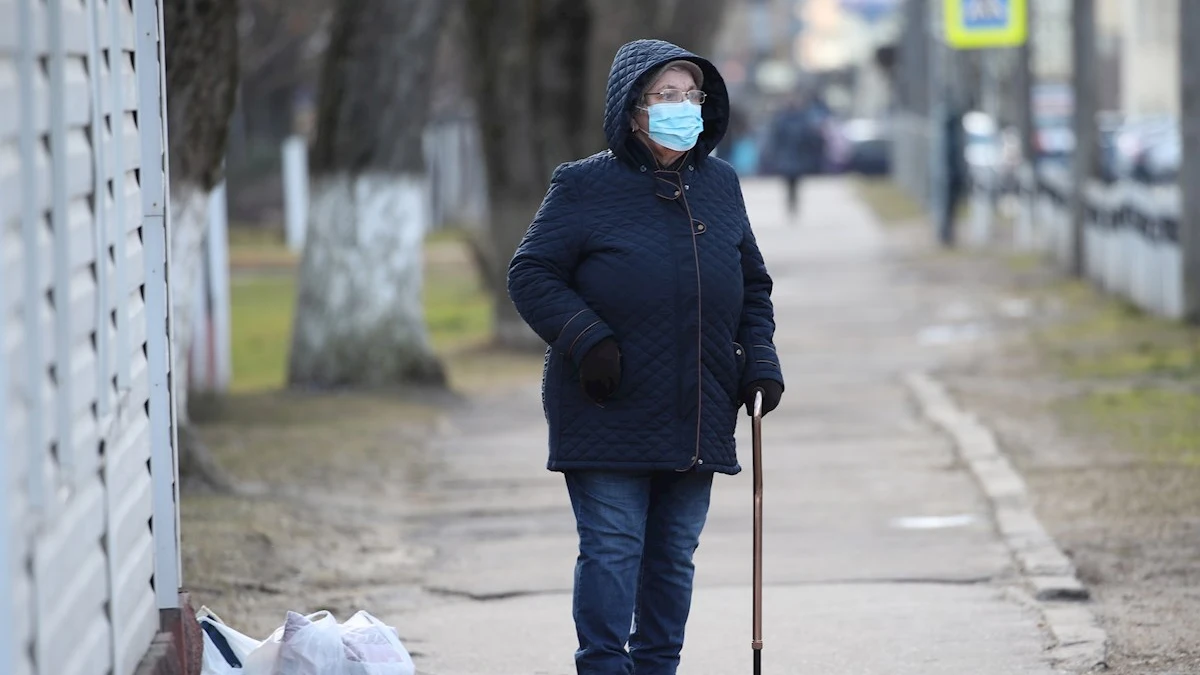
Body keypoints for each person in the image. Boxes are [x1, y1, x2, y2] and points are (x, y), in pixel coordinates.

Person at [507, 39, 785, 675]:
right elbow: (532, 273)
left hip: (699, 403)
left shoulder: (719, 184)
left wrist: (761, 359)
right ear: (633, 112)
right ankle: (603, 667)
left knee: (673, 554)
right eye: (666, 96)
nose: (682, 107)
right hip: (608, 400)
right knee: (612, 549)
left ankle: (658, 667)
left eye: (692, 96)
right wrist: (588, 338)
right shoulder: (583, 186)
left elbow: (753, 285)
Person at [765, 92, 827, 219]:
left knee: (793, 182)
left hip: (794, 157)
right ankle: (792, 202)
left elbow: (776, 139)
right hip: (792, 157)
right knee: (791, 182)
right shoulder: (795, 120)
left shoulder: (788, 119)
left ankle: (792, 202)